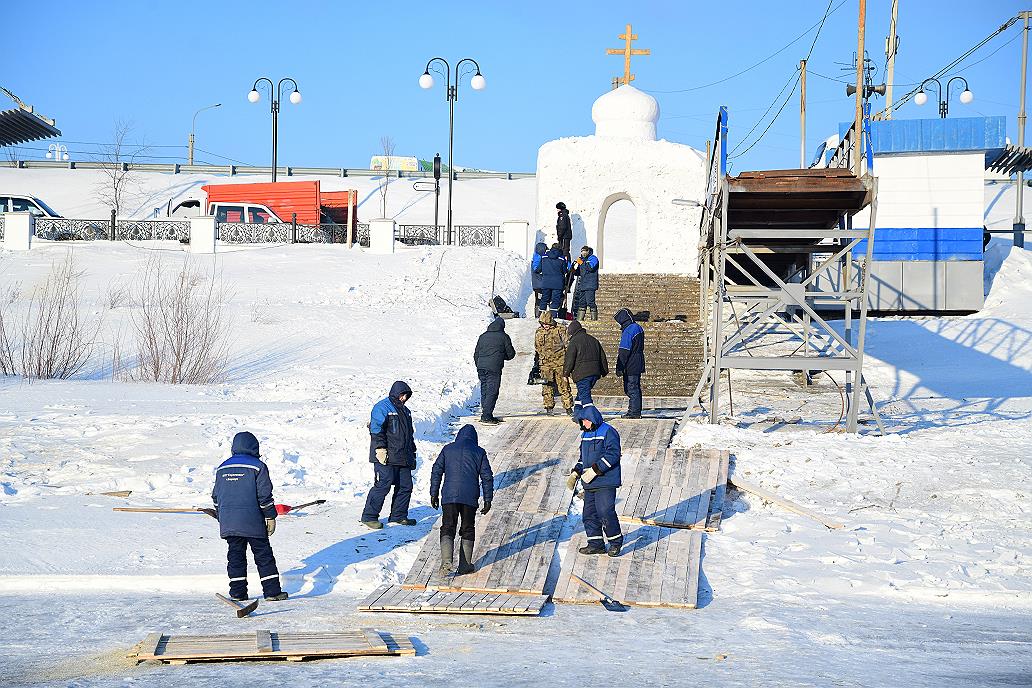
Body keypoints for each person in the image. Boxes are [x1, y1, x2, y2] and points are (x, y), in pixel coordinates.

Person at [212, 431, 288, 601]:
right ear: (254, 447)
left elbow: (216, 496)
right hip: (253, 521)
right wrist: (270, 516)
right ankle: (272, 592)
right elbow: (264, 496)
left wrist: (221, 515)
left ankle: (237, 593)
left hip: (230, 522)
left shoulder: (222, 468)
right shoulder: (258, 466)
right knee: (263, 555)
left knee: (235, 557)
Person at [430, 424, 494, 575]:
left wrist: (434, 493)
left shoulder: (448, 449)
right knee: (467, 528)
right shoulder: (479, 452)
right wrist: (488, 499)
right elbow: (487, 477)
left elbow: (436, 470)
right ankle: (465, 565)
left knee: (447, 526)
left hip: (449, 496)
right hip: (469, 497)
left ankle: (446, 561)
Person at [565, 406, 623, 557]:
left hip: (606, 480)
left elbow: (613, 454)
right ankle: (596, 544)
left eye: (585, 420)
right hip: (590, 483)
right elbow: (583, 459)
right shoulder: (585, 435)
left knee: (605, 512)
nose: (583, 423)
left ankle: (615, 542)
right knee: (589, 514)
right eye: (582, 421)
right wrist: (576, 472)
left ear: (593, 419)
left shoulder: (608, 431)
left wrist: (595, 470)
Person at [361, 381, 417, 529]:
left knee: (405, 486)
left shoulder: (406, 411)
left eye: (406, 395)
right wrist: (380, 448)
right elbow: (376, 429)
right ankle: (369, 516)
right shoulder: (382, 407)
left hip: (402, 456)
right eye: (402, 394)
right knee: (383, 485)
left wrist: (412, 453)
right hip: (385, 456)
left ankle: (399, 515)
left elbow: (409, 435)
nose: (404, 398)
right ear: (396, 393)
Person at [474, 317, 516, 425]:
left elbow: (476, 353)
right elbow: (511, 354)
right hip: (494, 368)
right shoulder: (504, 336)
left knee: (485, 389)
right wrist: (501, 356)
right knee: (492, 391)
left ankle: (486, 412)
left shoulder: (482, 336)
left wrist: (479, 365)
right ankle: (486, 416)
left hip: (481, 367)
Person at [563, 319, 608, 417]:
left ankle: (592, 417)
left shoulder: (574, 342)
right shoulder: (593, 340)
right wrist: (604, 371)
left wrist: (565, 373)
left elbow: (569, 359)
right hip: (595, 373)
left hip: (582, 374)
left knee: (585, 397)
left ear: (572, 332)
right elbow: (602, 357)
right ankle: (577, 414)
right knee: (581, 394)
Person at [534, 310, 574, 416]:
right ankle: (549, 407)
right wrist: (537, 362)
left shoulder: (561, 329)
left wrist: (568, 361)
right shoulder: (539, 331)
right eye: (543, 324)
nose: (545, 326)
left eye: (547, 323)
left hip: (560, 363)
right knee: (547, 386)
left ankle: (568, 407)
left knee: (564, 386)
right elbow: (537, 347)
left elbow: (567, 345)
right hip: (545, 365)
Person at [614, 308, 645, 419]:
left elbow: (624, 350)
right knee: (635, 387)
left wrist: (619, 366)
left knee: (631, 388)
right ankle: (635, 410)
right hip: (638, 360)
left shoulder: (628, 330)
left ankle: (634, 412)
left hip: (631, 363)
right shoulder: (638, 327)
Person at [536, 243, 568, 318]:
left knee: (544, 298)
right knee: (555, 300)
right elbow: (564, 271)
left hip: (546, 282)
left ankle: (540, 315)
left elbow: (539, 269)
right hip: (558, 283)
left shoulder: (544, 256)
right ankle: (552, 316)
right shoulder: (562, 258)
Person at [571, 245, 600, 321]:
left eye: (585, 251)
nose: (583, 253)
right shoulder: (582, 260)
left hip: (590, 284)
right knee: (582, 302)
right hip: (583, 284)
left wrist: (582, 262)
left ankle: (594, 319)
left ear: (588, 251)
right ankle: (580, 319)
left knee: (590, 302)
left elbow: (590, 268)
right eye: (582, 251)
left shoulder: (593, 258)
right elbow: (579, 272)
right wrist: (574, 268)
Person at [530, 241, 548, 317]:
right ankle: (539, 315)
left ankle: (538, 314)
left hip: (536, 284)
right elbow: (536, 269)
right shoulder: (539, 257)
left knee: (538, 299)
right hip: (540, 283)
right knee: (541, 300)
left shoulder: (535, 256)